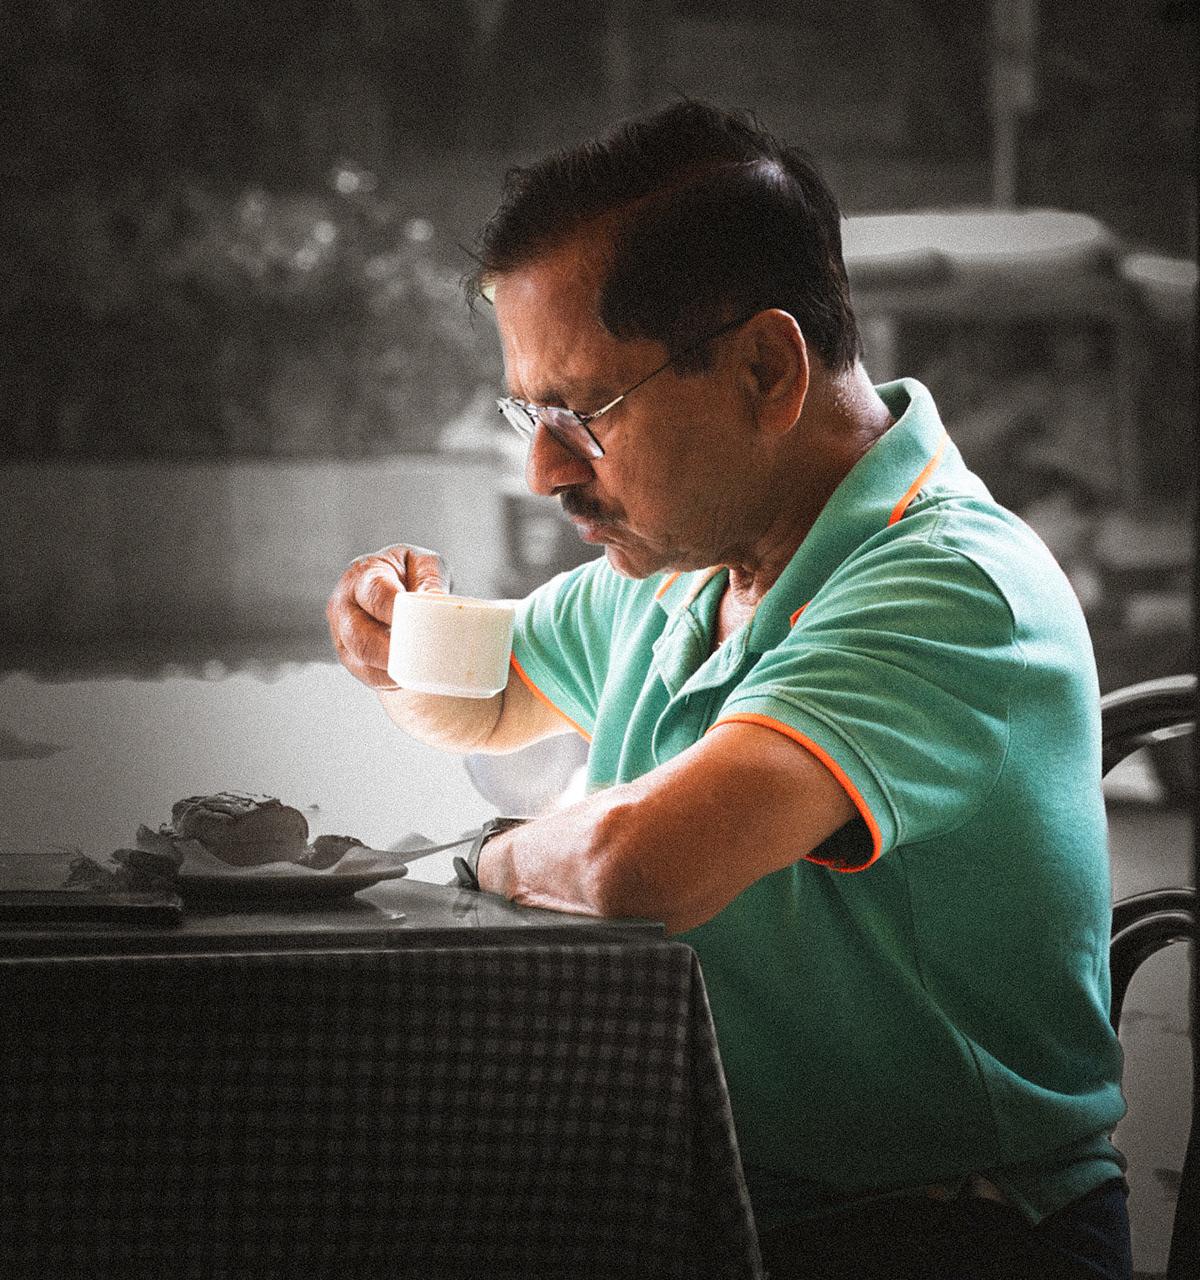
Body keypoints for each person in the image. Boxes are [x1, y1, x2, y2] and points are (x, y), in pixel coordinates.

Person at [325, 101, 1130, 1280]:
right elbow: (486, 691)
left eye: (581, 414)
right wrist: (388, 633)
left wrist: (486, 854)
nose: (546, 467)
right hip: (735, 1201)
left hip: (947, 1228)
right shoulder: (690, 568)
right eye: (528, 414)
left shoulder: (947, 587)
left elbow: (640, 866)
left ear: (766, 367)